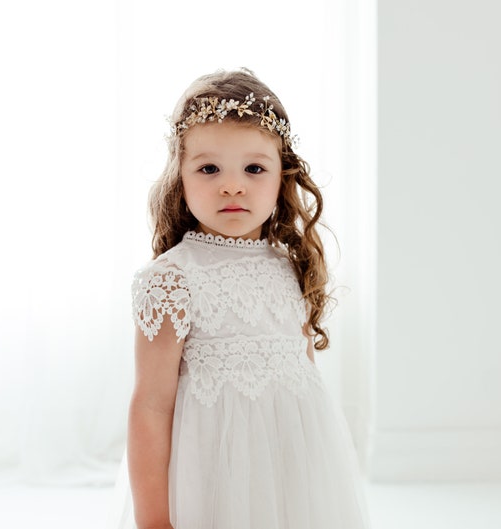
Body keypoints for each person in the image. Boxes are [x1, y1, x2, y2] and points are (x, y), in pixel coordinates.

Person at [113, 68, 370, 529]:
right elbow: (151, 405)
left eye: (254, 168)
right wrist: (154, 520)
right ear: (180, 177)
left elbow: (303, 379)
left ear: (281, 176)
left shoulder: (290, 266)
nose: (232, 185)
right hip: (211, 477)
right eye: (209, 168)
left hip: (289, 473)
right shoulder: (172, 280)